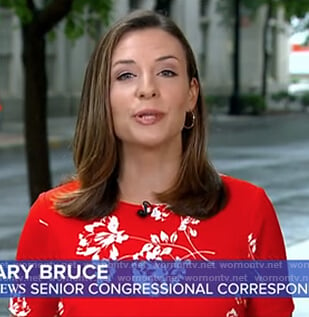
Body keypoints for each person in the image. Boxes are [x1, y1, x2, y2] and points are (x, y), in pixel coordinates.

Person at [9, 9, 294, 317]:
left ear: (191, 94)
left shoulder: (250, 210)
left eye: (167, 72)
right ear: (102, 98)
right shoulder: (49, 219)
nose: (147, 89)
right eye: (126, 75)